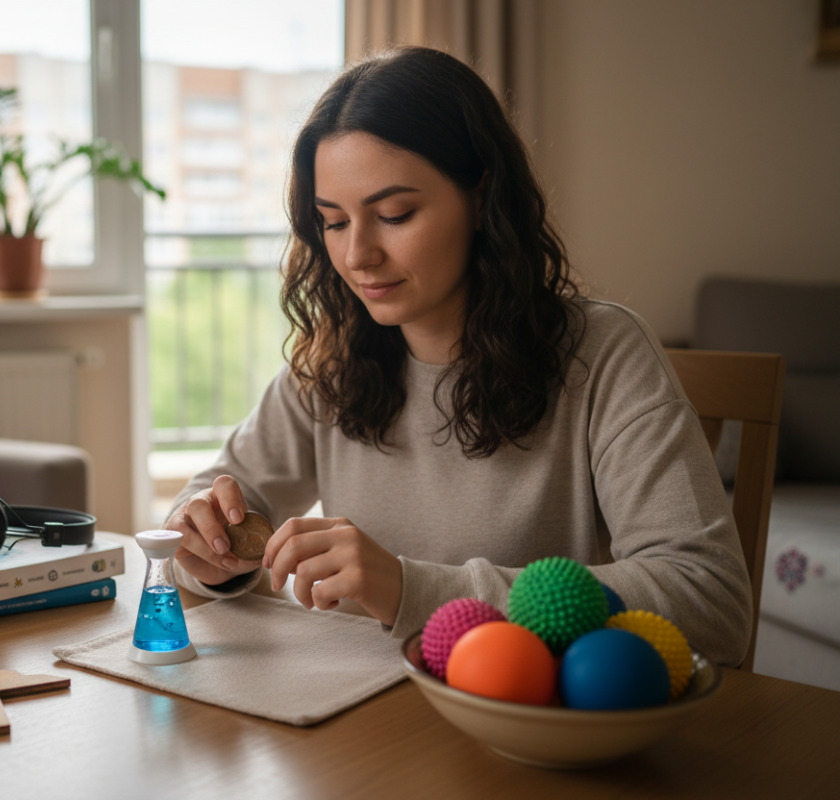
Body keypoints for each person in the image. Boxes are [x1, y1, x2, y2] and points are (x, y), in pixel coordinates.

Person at [163, 46, 752, 666]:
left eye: (394, 214)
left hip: (530, 729)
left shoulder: (603, 355)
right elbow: (223, 496)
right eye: (333, 222)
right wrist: (204, 545)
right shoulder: (331, 362)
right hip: (369, 728)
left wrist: (416, 591)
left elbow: (711, 601)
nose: (358, 255)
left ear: (482, 196)